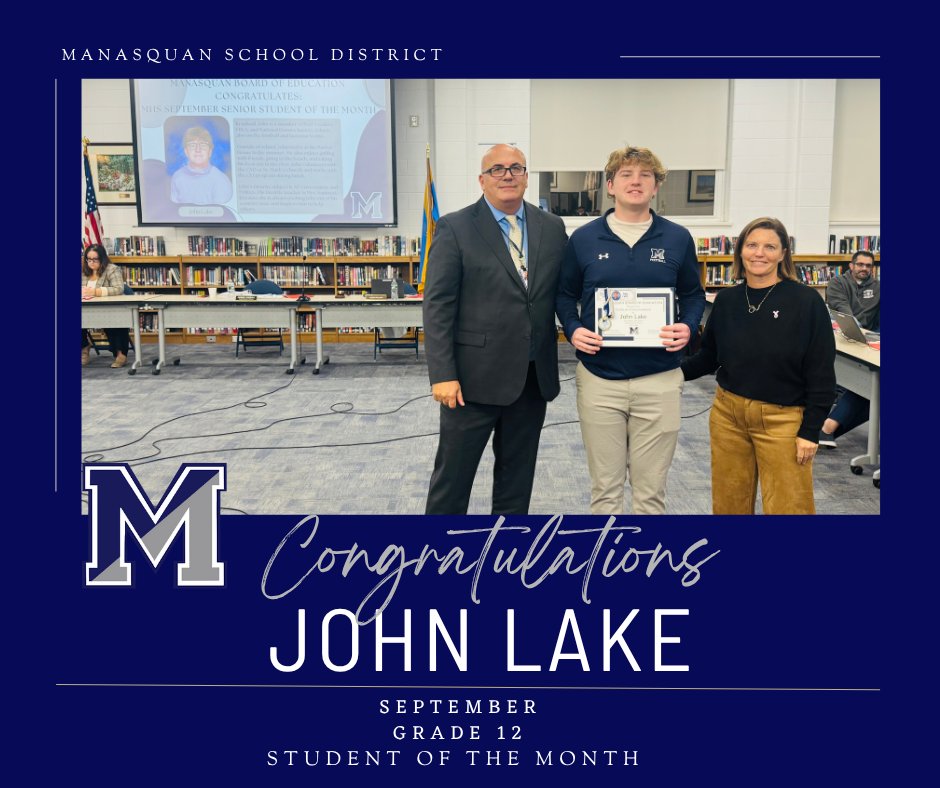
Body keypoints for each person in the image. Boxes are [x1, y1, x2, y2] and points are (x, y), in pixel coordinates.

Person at [556, 146, 706, 514]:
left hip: (660, 378)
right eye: (626, 174)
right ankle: (606, 567)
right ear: (610, 185)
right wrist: (573, 329)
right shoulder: (584, 238)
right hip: (599, 379)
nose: (635, 181)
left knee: (650, 494)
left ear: (656, 187)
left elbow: (693, 294)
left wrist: (687, 326)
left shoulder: (677, 237)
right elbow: (564, 295)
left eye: (645, 175)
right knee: (605, 492)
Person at [423, 144, 568, 514]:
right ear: (482, 180)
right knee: (452, 482)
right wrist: (442, 374)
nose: (508, 175)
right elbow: (438, 306)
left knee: (516, 483)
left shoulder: (550, 227)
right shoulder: (455, 227)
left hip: (532, 378)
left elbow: (560, 292)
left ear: (526, 176)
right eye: (498, 169)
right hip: (471, 382)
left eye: (516, 168)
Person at [681, 217, 836, 514]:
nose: (759, 253)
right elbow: (709, 357)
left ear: (782, 254)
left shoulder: (806, 302)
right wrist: (668, 372)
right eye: (752, 245)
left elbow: (821, 372)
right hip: (728, 416)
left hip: (784, 421)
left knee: (790, 509)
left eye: (769, 246)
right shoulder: (726, 301)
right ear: (740, 251)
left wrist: (811, 430)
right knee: (728, 507)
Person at [819, 249, 880, 448]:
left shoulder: (878, 287)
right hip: (844, 336)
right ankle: (826, 427)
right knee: (871, 388)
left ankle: (827, 428)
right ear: (851, 266)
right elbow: (840, 307)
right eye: (860, 264)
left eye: (868, 266)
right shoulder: (838, 283)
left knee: (872, 386)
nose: (864, 269)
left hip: (867, 341)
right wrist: (855, 327)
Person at [82, 244, 130, 368]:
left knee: (113, 321)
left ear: (102, 258)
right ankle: (83, 346)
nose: (91, 263)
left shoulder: (112, 269)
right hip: (85, 309)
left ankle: (120, 354)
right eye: (88, 259)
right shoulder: (83, 270)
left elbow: (118, 289)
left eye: (95, 259)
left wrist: (96, 292)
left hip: (109, 309)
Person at [170, 126, 233, 205]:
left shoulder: (221, 180)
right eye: (192, 145)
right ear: (186, 151)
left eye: (203, 145)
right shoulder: (177, 177)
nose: (198, 150)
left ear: (210, 151)